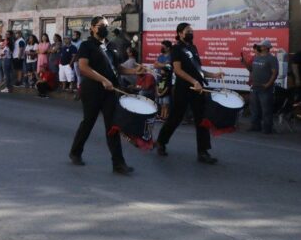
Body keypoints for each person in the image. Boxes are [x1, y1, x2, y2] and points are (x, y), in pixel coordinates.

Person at [69, 16, 144, 175]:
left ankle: (118, 163)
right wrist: (103, 80)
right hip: (92, 91)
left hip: (110, 91)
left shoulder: (110, 47)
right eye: (101, 26)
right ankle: (75, 152)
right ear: (92, 28)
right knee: (88, 122)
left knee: (113, 127)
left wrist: (134, 71)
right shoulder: (86, 45)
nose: (105, 28)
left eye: (107, 26)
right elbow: (83, 67)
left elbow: (118, 68)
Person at [155, 22, 224, 164]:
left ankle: (203, 152)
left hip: (197, 88)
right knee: (175, 117)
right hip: (183, 88)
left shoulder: (193, 48)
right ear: (180, 33)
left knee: (201, 119)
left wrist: (214, 75)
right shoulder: (176, 49)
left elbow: (198, 70)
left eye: (191, 30)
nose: (191, 32)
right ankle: (161, 142)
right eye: (188, 30)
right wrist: (194, 82)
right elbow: (178, 70)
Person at [247, 40, 279, 134]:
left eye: (260, 45)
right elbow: (251, 69)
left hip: (265, 88)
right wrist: (244, 62)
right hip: (255, 86)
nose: (259, 47)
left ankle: (267, 128)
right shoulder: (256, 57)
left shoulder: (271, 58)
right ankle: (255, 126)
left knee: (266, 109)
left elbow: (275, 73)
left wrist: (268, 84)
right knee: (254, 108)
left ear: (265, 47)